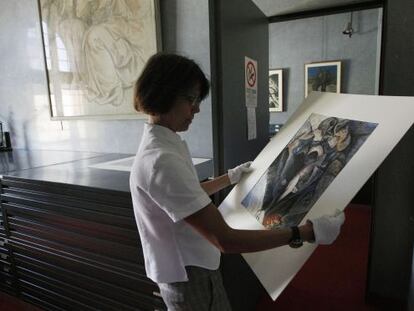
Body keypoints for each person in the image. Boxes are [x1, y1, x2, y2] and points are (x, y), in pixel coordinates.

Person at [129, 53, 345, 311]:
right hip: (189, 275)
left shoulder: (164, 144)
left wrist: (228, 178)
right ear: (164, 93)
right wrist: (306, 233)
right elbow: (226, 240)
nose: (196, 109)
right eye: (191, 99)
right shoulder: (161, 160)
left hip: (196, 265)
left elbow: (186, 196)